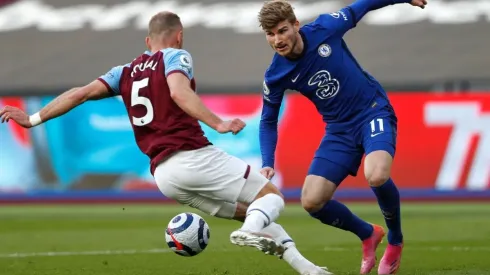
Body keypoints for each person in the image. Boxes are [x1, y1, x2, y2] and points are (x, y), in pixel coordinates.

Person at [0, 11, 331, 275]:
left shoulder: (124, 71)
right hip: (192, 155)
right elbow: (177, 90)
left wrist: (33, 119)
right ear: (179, 36)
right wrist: (218, 122)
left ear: (147, 40)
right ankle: (253, 232)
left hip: (165, 177)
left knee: (254, 216)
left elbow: (81, 93)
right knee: (271, 199)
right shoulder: (176, 56)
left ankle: (308, 269)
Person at [258, 0, 427, 274]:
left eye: (282, 30)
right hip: (338, 130)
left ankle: (395, 239)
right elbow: (267, 120)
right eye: (270, 34)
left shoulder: (325, 28)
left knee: (376, 175)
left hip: (372, 111)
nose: (277, 40)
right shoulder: (276, 75)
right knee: (311, 201)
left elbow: (362, 6)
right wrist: (268, 161)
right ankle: (368, 233)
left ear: (296, 25)